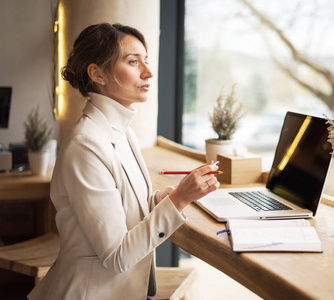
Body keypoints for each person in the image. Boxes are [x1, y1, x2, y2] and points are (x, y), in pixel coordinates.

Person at [28, 23, 220, 300]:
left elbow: (117, 207)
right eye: (133, 61)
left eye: (146, 60)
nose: (148, 72)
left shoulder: (120, 129)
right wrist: (178, 199)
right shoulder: (86, 144)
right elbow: (116, 256)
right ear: (97, 74)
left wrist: (156, 200)